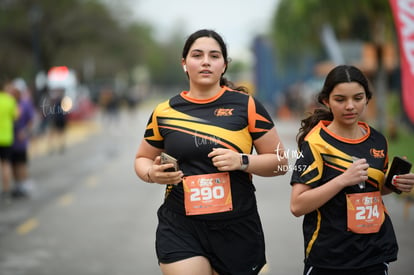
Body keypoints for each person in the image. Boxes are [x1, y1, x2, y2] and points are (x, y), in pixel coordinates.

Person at [134, 29, 288, 275]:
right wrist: (152, 173)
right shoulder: (164, 112)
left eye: (214, 56)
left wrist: (242, 161)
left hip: (237, 228)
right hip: (180, 226)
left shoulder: (247, 106)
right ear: (184, 64)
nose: (206, 61)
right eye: (197, 55)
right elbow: (141, 158)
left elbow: (281, 163)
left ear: (224, 65)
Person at [289, 65, 414, 275]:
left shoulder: (377, 140)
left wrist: (392, 184)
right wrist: (342, 180)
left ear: (367, 99)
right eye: (340, 99)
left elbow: (370, 187)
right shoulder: (315, 144)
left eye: (358, 98)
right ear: (326, 101)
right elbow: (297, 205)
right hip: (330, 259)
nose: (350, 106)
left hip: (373, 254)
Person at [8, 79, 36, 198]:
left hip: (20, 141)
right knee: (13, 164)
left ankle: (24, 185)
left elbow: (31, 120)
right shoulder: (10, 102)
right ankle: (17, 185)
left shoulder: (25, 103)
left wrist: (25, 132)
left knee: (21, 164)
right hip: (10, 139)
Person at [0, 79, 19, 201]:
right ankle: (6, 191)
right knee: (6, 165)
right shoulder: (10, 100)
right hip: (6, 137)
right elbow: (17, 116)